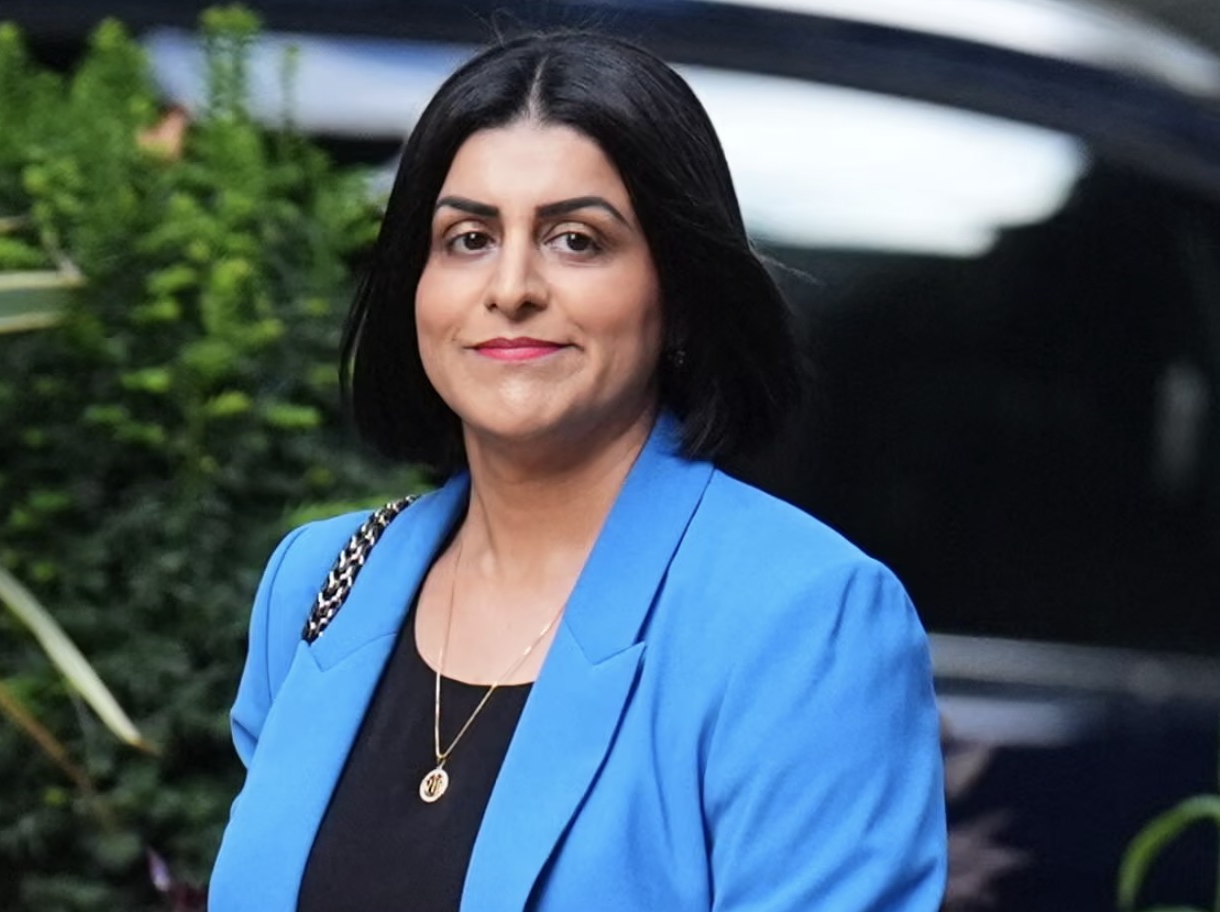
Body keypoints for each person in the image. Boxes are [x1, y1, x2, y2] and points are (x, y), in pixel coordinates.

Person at [209, 30, 946, 912]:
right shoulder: (322, 582)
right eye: (469, 238)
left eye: (576, 240)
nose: (511, 287)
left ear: (680, 297)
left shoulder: (805, 621)